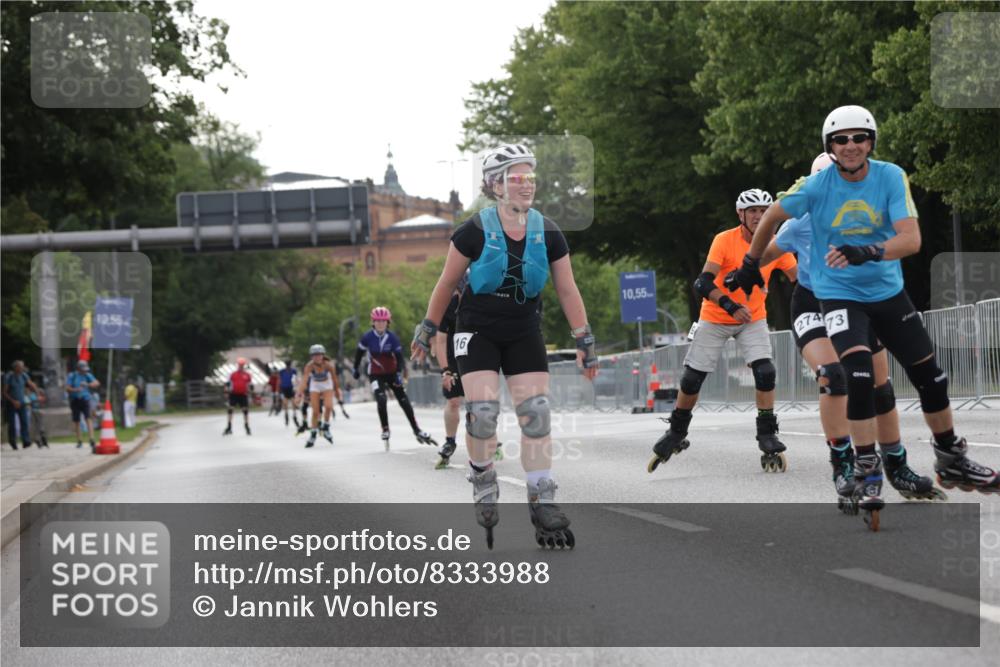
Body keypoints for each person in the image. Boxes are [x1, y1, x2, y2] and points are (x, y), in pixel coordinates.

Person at [733, 105, 999, 525]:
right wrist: (748, 266)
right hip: (823, 296)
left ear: (870, 142)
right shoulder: (812, 194)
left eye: (859, 139)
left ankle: (936, 456)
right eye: (842, 141)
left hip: (884, 291)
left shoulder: (889, 176)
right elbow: (771, 232)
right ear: (829, 151)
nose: (851, 146)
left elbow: (910, 239)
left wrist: (869, 251)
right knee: (843, 375)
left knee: (918, 378)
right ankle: (855, 462)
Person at [411, 143, 598, 549]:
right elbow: (445, 284)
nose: (526, 184)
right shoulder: (472, 231)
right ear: (496, 185)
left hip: (522, 328)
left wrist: (584, 338)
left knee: (536, 414)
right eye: (517, 177)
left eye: (531, 176)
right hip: (476, 328)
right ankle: (482, 477)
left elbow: (567, 290)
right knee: (481, 412)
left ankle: (542, 499)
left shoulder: (548, 231)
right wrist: (426, 330)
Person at [754, 153, 942, 508]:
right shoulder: (800, 222)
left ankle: (897, 464)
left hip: (856, 302)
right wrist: (745, 270)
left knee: (881, 389)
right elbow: (767, 252)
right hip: (813, 303)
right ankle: (842, 462)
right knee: (834, 376)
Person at [648, 188, 798, 475]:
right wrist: (730, 305)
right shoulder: (724, 240)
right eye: (752, 211)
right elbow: (702, 283)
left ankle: (767, 433)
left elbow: (798, 280)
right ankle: (677, 432)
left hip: (753, 318)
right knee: (693, 378)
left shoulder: (777, 244)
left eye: (764, 211)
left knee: (766, 372)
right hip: (717, 316)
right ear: (741, 215)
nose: (758, 216)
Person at [355, 307, 434, 449]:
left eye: (383, 321)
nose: (380, 324)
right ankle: (385, 429)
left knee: (403, 400)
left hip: (391, 373)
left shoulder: (392, 338)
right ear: (373, 322)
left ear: (388, 322)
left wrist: (399, 374)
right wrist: (355, 368)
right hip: (375, 374)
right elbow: (358, 354)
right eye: (378, 321)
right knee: (381, 399)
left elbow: (400, 359)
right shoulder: (367, 337)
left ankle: (416, 429)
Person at [295, 345, 342, 447]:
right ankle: (313, 434)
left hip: (326, 384)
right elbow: (304, 381)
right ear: (311, 357)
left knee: (329, 406)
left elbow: (334, 379)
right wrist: (299, 394)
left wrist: (337, 391)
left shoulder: (329, 365)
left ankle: (326, 427)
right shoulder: (309, 366)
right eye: (314, 355)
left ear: (323, 355)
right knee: (315, 412)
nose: (317, 357)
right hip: (315, 385)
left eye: (319, 355)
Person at [3, 361, 40, 450]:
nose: (22, 368)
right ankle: (13, 442)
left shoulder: (24, 375)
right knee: (12, 424)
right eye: (20, 367)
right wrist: (13, 401)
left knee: (24, 422)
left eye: (22, 367)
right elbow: (4, 392)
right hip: (11, 403)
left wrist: (37, 393)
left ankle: (26, 441)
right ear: (15, 367)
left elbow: (31, 384)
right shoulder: (9, 377)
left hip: (22, 402)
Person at [65, 360, 100, 451]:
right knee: (77, 421)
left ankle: (91, 439)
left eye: (85, 369)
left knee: (88, 418)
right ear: (78, 368)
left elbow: (96, 383)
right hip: (75, 400)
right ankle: (79, 440)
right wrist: (75, 390)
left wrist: (88, 384)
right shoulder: (72, 376)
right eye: (83, 369)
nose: (84, 371)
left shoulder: (87, 375)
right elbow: (67, 388)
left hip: (85, 399)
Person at [223, 358, 253, 436]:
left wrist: (250, 391)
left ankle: (247, 426)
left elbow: (250, 385)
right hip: (234, 394)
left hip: (243, 394)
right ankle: (229, 426)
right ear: (238, 365)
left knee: (245, 410)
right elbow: (227, 384)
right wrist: (226, 392)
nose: (241, 366)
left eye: (242, 365)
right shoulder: (232, 374)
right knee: (230, 409)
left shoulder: (247, 375)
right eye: (240, 365)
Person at [278, 360, 298, 427]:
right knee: (285, 403)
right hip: (284, 389)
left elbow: (295, 379)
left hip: (291, 388)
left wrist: (296, 387)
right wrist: (279, 389)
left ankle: (294, 416)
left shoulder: (293, 371)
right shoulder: (282, 371)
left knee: (293, 403)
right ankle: (286, 416)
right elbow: (280, 380)